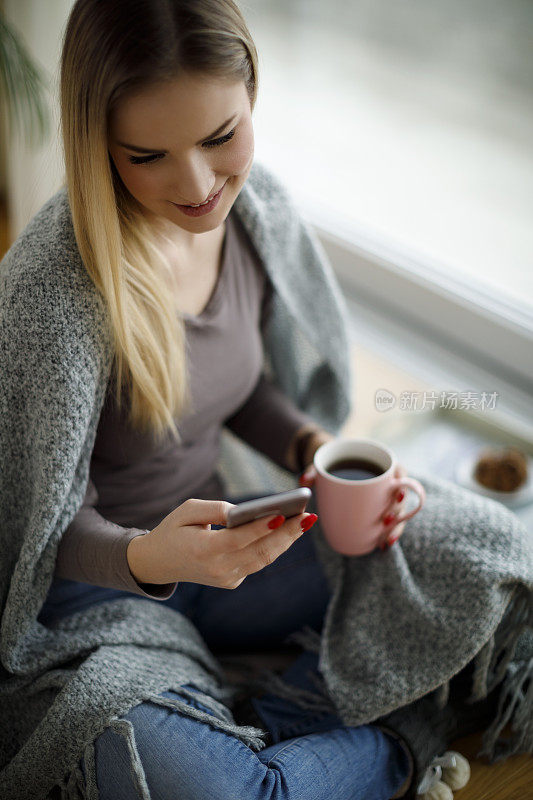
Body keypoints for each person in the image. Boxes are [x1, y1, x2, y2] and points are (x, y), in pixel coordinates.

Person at [4, 2, 529, 800]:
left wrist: (310, 451)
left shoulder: (256, 216)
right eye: (146, 155)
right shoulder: (50, 294)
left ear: (252, 92)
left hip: (231, 539)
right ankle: (399, 735)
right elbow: (29, 527)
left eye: (221, 138)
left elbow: (238, 384)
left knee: (487, 551)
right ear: (96, 143)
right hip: (97, 596)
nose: (198, 185)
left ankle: (289, 728)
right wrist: (151, 557)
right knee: (216, 790)